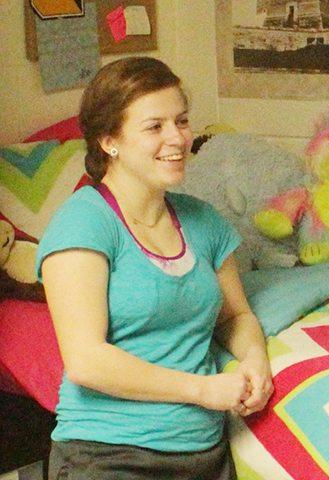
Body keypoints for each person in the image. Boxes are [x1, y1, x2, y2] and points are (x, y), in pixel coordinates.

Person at [37, 57, 273, 479]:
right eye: (154, 126)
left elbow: (235, 316)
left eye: (181, 121)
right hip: (109, 455)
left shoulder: (204, 221)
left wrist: (255, 360)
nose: (178, 139)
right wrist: (203, 389)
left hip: (204, 455)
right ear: (109, 140)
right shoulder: (83, 223)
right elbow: (86, 361)